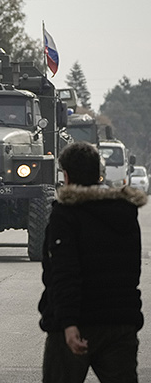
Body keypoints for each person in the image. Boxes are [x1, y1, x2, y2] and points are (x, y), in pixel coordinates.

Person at [38, 141, 146, 382]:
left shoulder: (65, 215)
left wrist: (68, 323)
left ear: (65, 175)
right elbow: (132, 272)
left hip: (76, 326)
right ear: (99, 174)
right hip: (120, 323)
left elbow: (64, 272)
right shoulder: (125, 213)